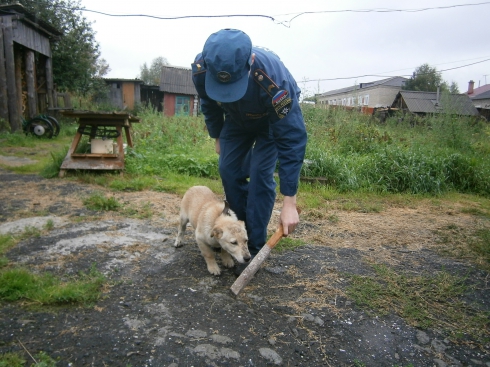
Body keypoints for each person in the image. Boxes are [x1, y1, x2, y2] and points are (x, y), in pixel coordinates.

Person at [191, 29, 307, 274]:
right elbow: (208, 102)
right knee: (228, 169)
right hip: (236, 118)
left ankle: (253, 245)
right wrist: (217, 135)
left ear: (250, 62)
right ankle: (235, 236)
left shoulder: (274, 82)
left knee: (260, 174)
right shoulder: (201, 68)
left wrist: (290, 201)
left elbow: (292, 139)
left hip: (270, 121)